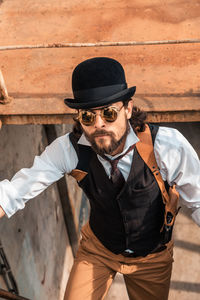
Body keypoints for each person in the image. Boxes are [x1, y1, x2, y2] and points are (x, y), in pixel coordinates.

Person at [0, 57, 199, 300]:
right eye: (87, 116)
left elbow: (198, 201)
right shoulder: (68, 150)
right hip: (98, 250)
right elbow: (17, 190)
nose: (99, 124)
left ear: (127, 108)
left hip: (152, 257)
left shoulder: (167, 146)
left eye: (108, 113)